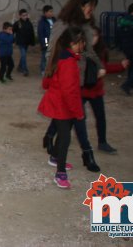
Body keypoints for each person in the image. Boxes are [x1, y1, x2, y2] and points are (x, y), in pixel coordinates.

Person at [42, 0, 106, 173]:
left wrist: (99, 66)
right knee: (75, 117)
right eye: (89, 7)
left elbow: (89, 52)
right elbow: (49, 48)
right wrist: (51, 74)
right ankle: (79, 157)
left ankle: (53, 148)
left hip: (80, 80)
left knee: (68, 120)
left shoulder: (85, 26)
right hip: (65, 80)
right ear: (80, 6)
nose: (91, 11)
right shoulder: (62, 25)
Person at [38, 26, 86, 189]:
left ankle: (54, 157)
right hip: (62, 106)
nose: (83, 45)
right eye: (81, 43)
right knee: (65, 138)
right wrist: (78, 112)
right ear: (72, 43)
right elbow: (69, 91)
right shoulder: (68, 62)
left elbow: (47, 80)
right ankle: (60, 173)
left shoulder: (61, 56)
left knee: (62, 133)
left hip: (58, 103)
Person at [83, 26, 129, 155]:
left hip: (96, 91)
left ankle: (102, 142)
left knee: (101, 117)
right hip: (82, 90)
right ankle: (55, 137)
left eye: (95, 35)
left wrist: (120, 66)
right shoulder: (79, 49)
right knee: (74, 117)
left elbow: (105, 68)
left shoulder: (101, 51)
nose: (92, 38)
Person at [12, 9, 35, 76]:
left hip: (27, 42)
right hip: (20, 42)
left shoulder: (29, 23)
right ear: (20, 16)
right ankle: (25, 70)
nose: (25, 17)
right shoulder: (17, 23)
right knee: (23, 55)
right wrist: (13, 41)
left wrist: (32, 42)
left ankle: (19, 67)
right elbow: (12, 32)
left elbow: (31, 33)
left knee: (23, 56)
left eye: (26, 15)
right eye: (23, 15)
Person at [37, 5, 56, 76]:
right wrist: (45, 43)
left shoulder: (54, 20)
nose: (51, 13)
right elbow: (41, 33)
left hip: (54, 41)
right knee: (44, 56)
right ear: (45, 12)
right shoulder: (42, 22)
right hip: (46, 40)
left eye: (52, 11)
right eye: (50, 11)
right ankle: (43, 69)